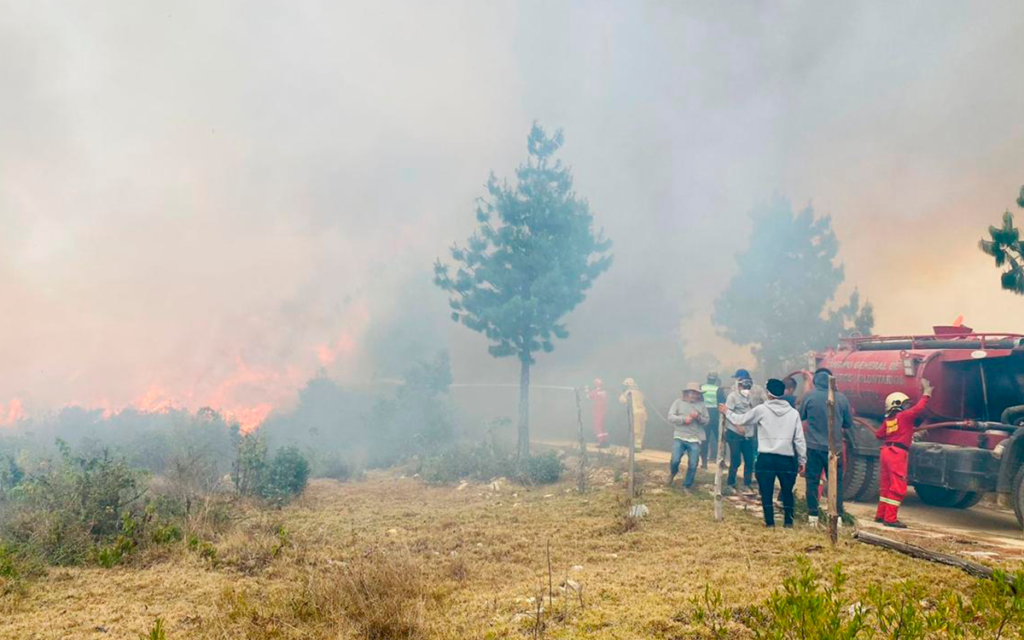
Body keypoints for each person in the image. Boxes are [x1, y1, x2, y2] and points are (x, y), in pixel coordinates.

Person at [722, 378, 807, 528]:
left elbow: (740, 419)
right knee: (787, 492)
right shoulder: (793, 413)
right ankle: (788, 522)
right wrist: (802, 460)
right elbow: (799, 439)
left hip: (766, 457)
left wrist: (726, 411)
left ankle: (770, 523)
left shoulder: (762, 410)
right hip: (787, 458)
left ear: (768, 393)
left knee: (766, 492)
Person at [799, 368, 854, 527]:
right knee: (836, 483)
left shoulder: (809, 397)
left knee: (812, 481)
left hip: (813, 448)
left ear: (815, 382)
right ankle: (838, 518)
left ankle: (812, 517)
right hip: (834, 449)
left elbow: (801, 416)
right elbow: (848, 423)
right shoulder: (842, 399)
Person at [874, 379, 933, 528]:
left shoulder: (889, 420)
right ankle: (891, 518)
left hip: (886, 452)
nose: (908, 407)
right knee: (898, 486)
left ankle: (881, 515)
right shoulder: (904, 417)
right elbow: (918, 409)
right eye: (905, 404)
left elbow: (879, 435)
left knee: (886, 486)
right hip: (897, 454)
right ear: (897, 405)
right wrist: (926, 394)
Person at [724, 369, 763, 492]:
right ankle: (730, 483)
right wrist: (737, 426)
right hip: (734, 432)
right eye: (743, 386)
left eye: (748, 386)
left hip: (748, 432)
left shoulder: (752, 396)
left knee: (749, 460)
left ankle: (747, 484)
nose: (745, 388)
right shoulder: (732, 396)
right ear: (739, 385)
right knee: (735, 459)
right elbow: (727, 413)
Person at [667, 382, 710, 488]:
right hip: (679, 436)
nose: (694, 395)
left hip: (695, 438)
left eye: (697, 393)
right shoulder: (678, 402)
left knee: (693, 464)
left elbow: (707, 421)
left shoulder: (702, 405)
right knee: (675, 460)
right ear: (687, 393)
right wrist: (684, 419)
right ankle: (672, 473)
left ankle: (687, 486)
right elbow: (670, 417)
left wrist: (698, 417)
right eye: (692, 393)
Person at [699, 372, 725, 469]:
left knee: (704, 440)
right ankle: (721, 461)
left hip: (704, 415)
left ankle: (704, 463)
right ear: (716, 379)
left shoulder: (701, 387)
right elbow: (723, 402)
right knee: (720, 439)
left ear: (707, 378)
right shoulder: (718, 389)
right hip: (715, 416)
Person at [619, 378, 647, 452]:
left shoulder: (628, 392)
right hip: (643, 412)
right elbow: (643, 399)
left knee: (636, 430)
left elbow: (622, 400)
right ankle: (640, 444)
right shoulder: (639, 392)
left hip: (635, 412)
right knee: (642, 429)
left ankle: (637, 447)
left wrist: (622, 393)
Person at [585, 379, 610, 448]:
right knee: (603, 427)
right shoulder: (605, 391)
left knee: (597, 426)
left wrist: (586, 390)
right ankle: (606, 442)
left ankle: (601, 442)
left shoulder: (595, 391)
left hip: (597, 411)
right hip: (604, 411)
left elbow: (589, 397)